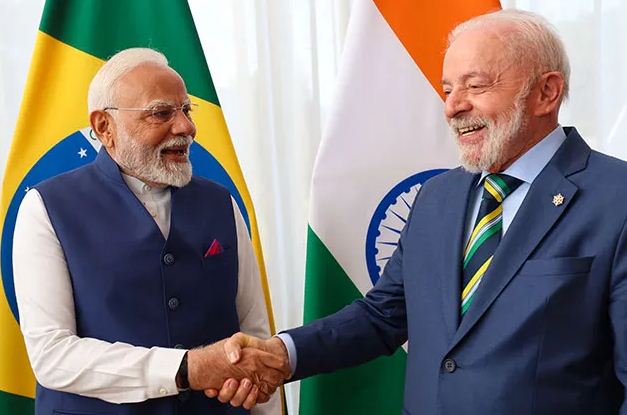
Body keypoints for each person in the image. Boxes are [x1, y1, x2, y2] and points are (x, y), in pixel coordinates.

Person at [217, 9, 627, 414]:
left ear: (546, 93)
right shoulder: (437, 197)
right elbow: (382, 315)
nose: (452, 107)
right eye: (448, 90)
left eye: (475, 86)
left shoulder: (616, 199)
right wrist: (281, 354)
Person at [12, 48, 288, 415]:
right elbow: (53, 355)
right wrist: (185, 369)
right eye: (161, 113)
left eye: (186, 110)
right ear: (104, 127)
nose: (186, 128)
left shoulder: (221, 203)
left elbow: (255, 336)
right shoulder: (46, 207)